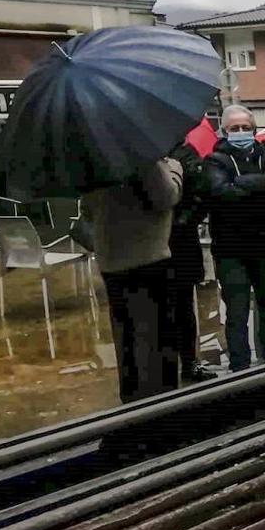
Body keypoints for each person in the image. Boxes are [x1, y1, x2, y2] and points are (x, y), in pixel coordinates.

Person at [82, 157, 182, 402]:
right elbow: (165, 197)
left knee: (126, 340)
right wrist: (176, 171)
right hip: (148, 258)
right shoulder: (142, 156)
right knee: (157, 344)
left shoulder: (93, 160)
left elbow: (86, 210)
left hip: (111, 262)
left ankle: (132, 403)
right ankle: (160, 412)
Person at [203, 104, 265, 373]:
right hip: (231, 250)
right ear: (225, 131)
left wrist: (240, 182)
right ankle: (240, 367)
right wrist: (260, 182)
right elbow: (221, 192)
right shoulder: (214, 160)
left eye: (245, 127)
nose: (241, 132)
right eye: (234, 128)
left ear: (254, 129)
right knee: (237, 314)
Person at [166, 140, 216, 383]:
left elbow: (202, 193)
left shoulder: (186, 154)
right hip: (148, 244)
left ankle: (189, 362)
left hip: (181, 241)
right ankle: (164, 367)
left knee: (184, 308)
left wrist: (185, 220)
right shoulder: (139, 152)